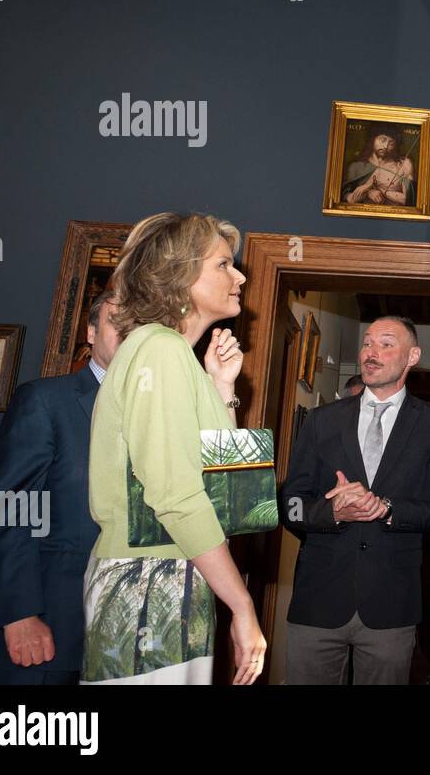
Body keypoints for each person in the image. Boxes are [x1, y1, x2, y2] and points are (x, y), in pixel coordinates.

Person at [81, 212, 266, 685]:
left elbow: (228, 487)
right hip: (149, 579)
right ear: (180, 273)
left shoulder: (177, 357)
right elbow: (176, 494)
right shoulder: (158, 349)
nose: (240, 275)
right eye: (224, 264)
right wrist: (242, 604)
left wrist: (221, 386)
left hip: (178, 571)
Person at [279, 316, 430, 684]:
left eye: (386, 344)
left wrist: (388, 509)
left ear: (413, 356)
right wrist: (331, 511)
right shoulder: (320, 421)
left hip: (391, 606)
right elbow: (289, 504)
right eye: (367, 343)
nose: (371, 353)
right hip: (318, 601)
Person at [0, 290, 122, 684]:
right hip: (46, 635)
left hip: (126, 642)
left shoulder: (161, 416)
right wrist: (20, 613)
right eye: (116, 318)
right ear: (91, 332)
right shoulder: (45, 401)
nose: (128, 329)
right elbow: (5, 508)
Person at [342, 130, 415, 206]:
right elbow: (348, 199)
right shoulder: (356, 167)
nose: (385, 146)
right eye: (382, 140)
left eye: (391, 143)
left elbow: (409, 200)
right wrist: (368, 193)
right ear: (372, 139)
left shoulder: (403, 165)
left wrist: (380, 190)